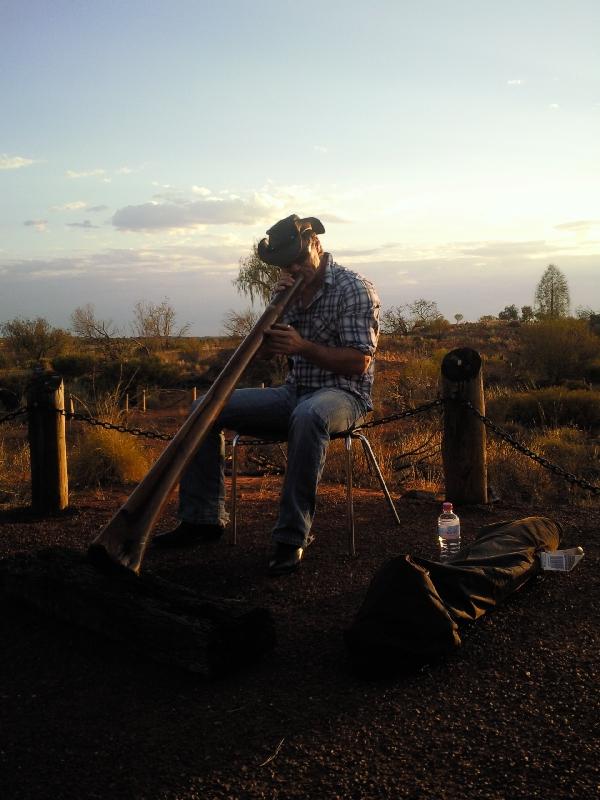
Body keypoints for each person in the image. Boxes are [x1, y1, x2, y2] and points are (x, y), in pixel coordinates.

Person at [153, 214, 380, 575]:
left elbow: (359, 362)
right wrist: (273, 311)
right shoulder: (288, 292)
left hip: (343, 396)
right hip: (294, 393)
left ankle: (292, 538)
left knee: (309, 416)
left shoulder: (354, 288)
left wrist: (302, 346)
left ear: (317, 246)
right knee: (203, 407)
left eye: (300, 260)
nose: (295, 269)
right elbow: (262, 353)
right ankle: (202, 520)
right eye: (286, 264)